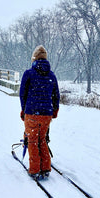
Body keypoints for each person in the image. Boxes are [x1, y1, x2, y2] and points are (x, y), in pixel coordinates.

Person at [20, 45, 60, 180]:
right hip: (46, 114)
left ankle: (35, 169)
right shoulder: (52, 75)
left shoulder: (29, 73)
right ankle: (46, 167)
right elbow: (56, 95)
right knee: (42, 139)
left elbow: (22, 94)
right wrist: (54, 110)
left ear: (34, 58)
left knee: (31, 140)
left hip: (32, 112)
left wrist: (23, 109)